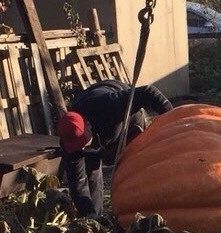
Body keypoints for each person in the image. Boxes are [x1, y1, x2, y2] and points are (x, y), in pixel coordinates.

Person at [56, 79, 172, 218]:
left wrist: (172, 120)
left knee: (135, 165)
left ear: (87, 125)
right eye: (76, 146)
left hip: (129, 123)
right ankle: (95, 218)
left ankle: (146, 211)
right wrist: (87, 216)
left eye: (82, 142)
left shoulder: (108, 105)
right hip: (102, 134)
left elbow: (148, 92)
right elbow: (78, 182)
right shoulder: (69, 137)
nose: (80, 147)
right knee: (90, 172)